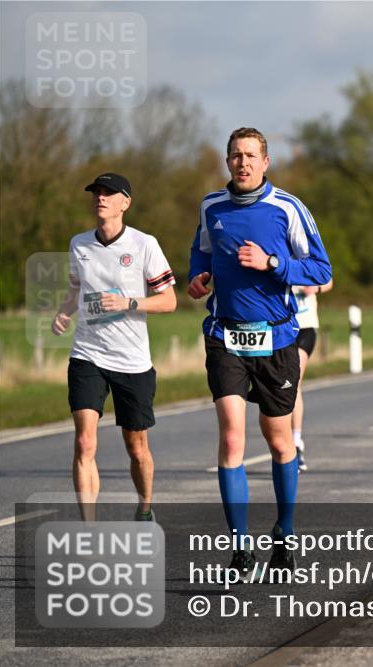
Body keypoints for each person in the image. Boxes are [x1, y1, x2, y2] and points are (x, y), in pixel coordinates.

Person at [189, 128, 332, 573]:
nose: (243, 163)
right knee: (232, 436)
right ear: (227, 162)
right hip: (225, 334)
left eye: (251, 155)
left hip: (277, 338)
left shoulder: (287, 208)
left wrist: (273, 264)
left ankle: (285, 533)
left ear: (265, 162)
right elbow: (201, 253)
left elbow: (321, 268)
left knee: (278, 439)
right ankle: (239, 548)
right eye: (236, 156)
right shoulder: (212, 207)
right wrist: (199, 278)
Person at [51, 173, 177, 522]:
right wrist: (64, 312)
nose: (100, 198)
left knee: (136, 448)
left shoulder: (143, 245)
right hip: (87, 354)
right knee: (84, 443)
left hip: (132, 361)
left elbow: (169, 301)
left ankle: (145, 506)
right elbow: (77, 289)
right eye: (96, 193)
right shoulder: (79, 244)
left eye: (109, 193)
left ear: (126, 202)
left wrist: (128, 304)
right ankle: (88, 530)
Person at [290, 279, 333, 471]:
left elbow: (329, 280)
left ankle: (296, 443)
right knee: (281, 386)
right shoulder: (272, 252)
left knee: (294, 381)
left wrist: (316, 288)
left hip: (305, 328)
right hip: (282, 328)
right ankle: (283, 443)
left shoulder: (309, 251)